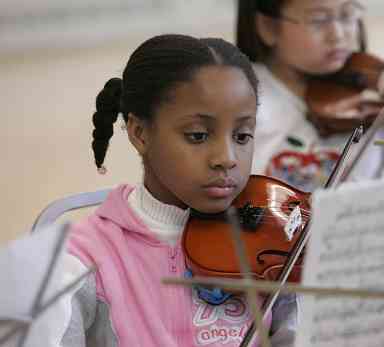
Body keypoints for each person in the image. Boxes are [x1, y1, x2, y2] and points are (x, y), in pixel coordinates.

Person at [50, 34, 298, 347]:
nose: (227, 159)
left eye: (242, 136)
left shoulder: (275, 248)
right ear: (140, 133)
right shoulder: (82, 260)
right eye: (197, 135)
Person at [236, 0, 384, 191]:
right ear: (267, 27)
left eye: (347, 15)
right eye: (318, 20)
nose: (337, 35)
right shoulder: (239, 96)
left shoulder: (372, 98)